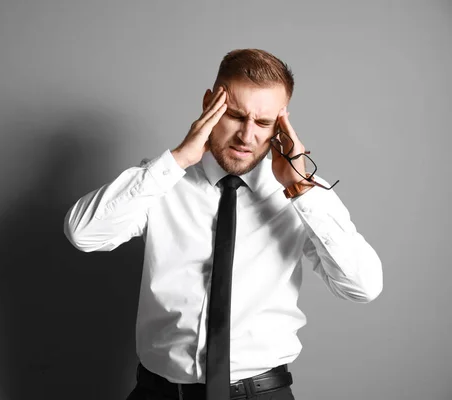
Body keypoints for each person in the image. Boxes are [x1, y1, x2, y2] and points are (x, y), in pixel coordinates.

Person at [63, 48, 383, 400]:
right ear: (209, 104)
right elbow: (84, 234)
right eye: (234, 116)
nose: (247, 136)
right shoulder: (160, 182)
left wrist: (301, 188)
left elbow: (362, 287)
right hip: (160, 394)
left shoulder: (301, 196)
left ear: (281, 125)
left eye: (263, 123)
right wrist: (180, 157)